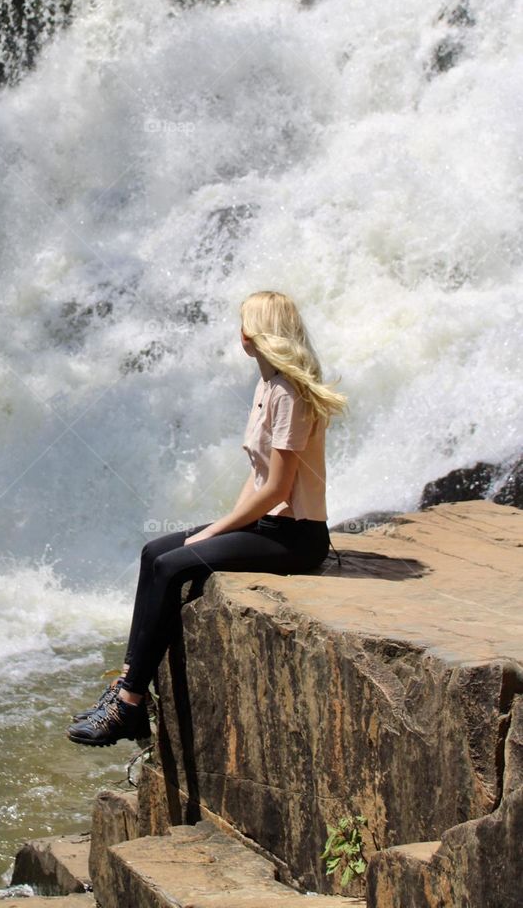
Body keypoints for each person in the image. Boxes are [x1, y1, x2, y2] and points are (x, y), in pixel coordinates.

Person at [67, 290, 347, 748]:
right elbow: (258, 476)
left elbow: (278, 489)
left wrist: (216, 532)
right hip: (267, 525)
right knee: (154, 551)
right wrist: (226, 523)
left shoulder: (290, 394)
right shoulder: (268, 385)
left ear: (250, 337)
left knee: (171, 564)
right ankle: (125, 683)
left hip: (296, 537)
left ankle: (129, 704)